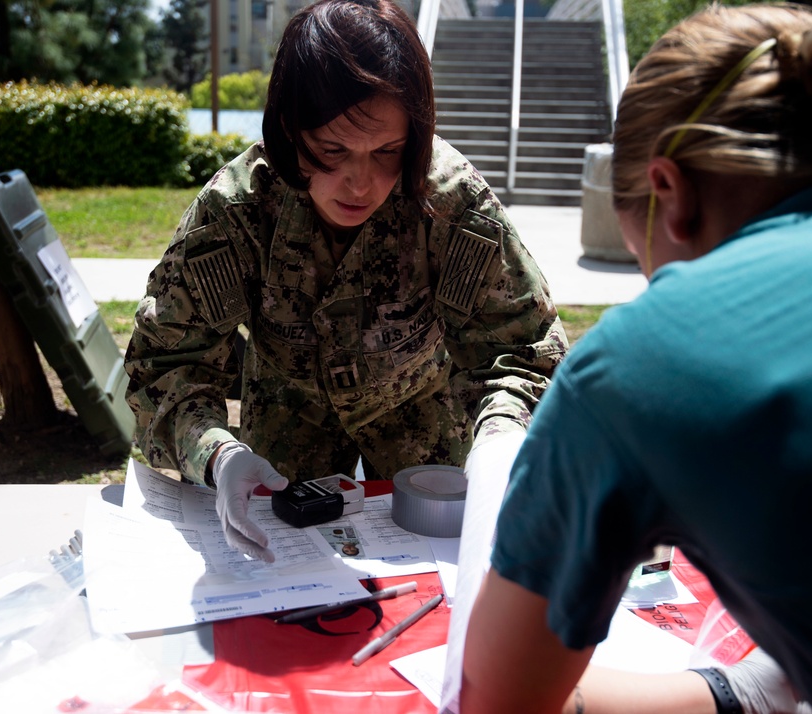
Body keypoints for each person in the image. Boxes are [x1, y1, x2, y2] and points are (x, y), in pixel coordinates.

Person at [461, 1, 812, 712]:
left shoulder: (639, 363)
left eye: (640, 255)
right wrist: (740, 691)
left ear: (668, 194)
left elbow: (500, 696)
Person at [125, 0, 565, 563]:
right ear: (289, 131)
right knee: (284, 580)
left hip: (426, 433)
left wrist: (501, 439)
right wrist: (217, 455)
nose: (361, 183)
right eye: (332, 150)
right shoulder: (237, 209)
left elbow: (526, 352)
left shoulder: (451, 203)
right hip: (283, 430)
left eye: (388, 152)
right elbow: (164, 365)